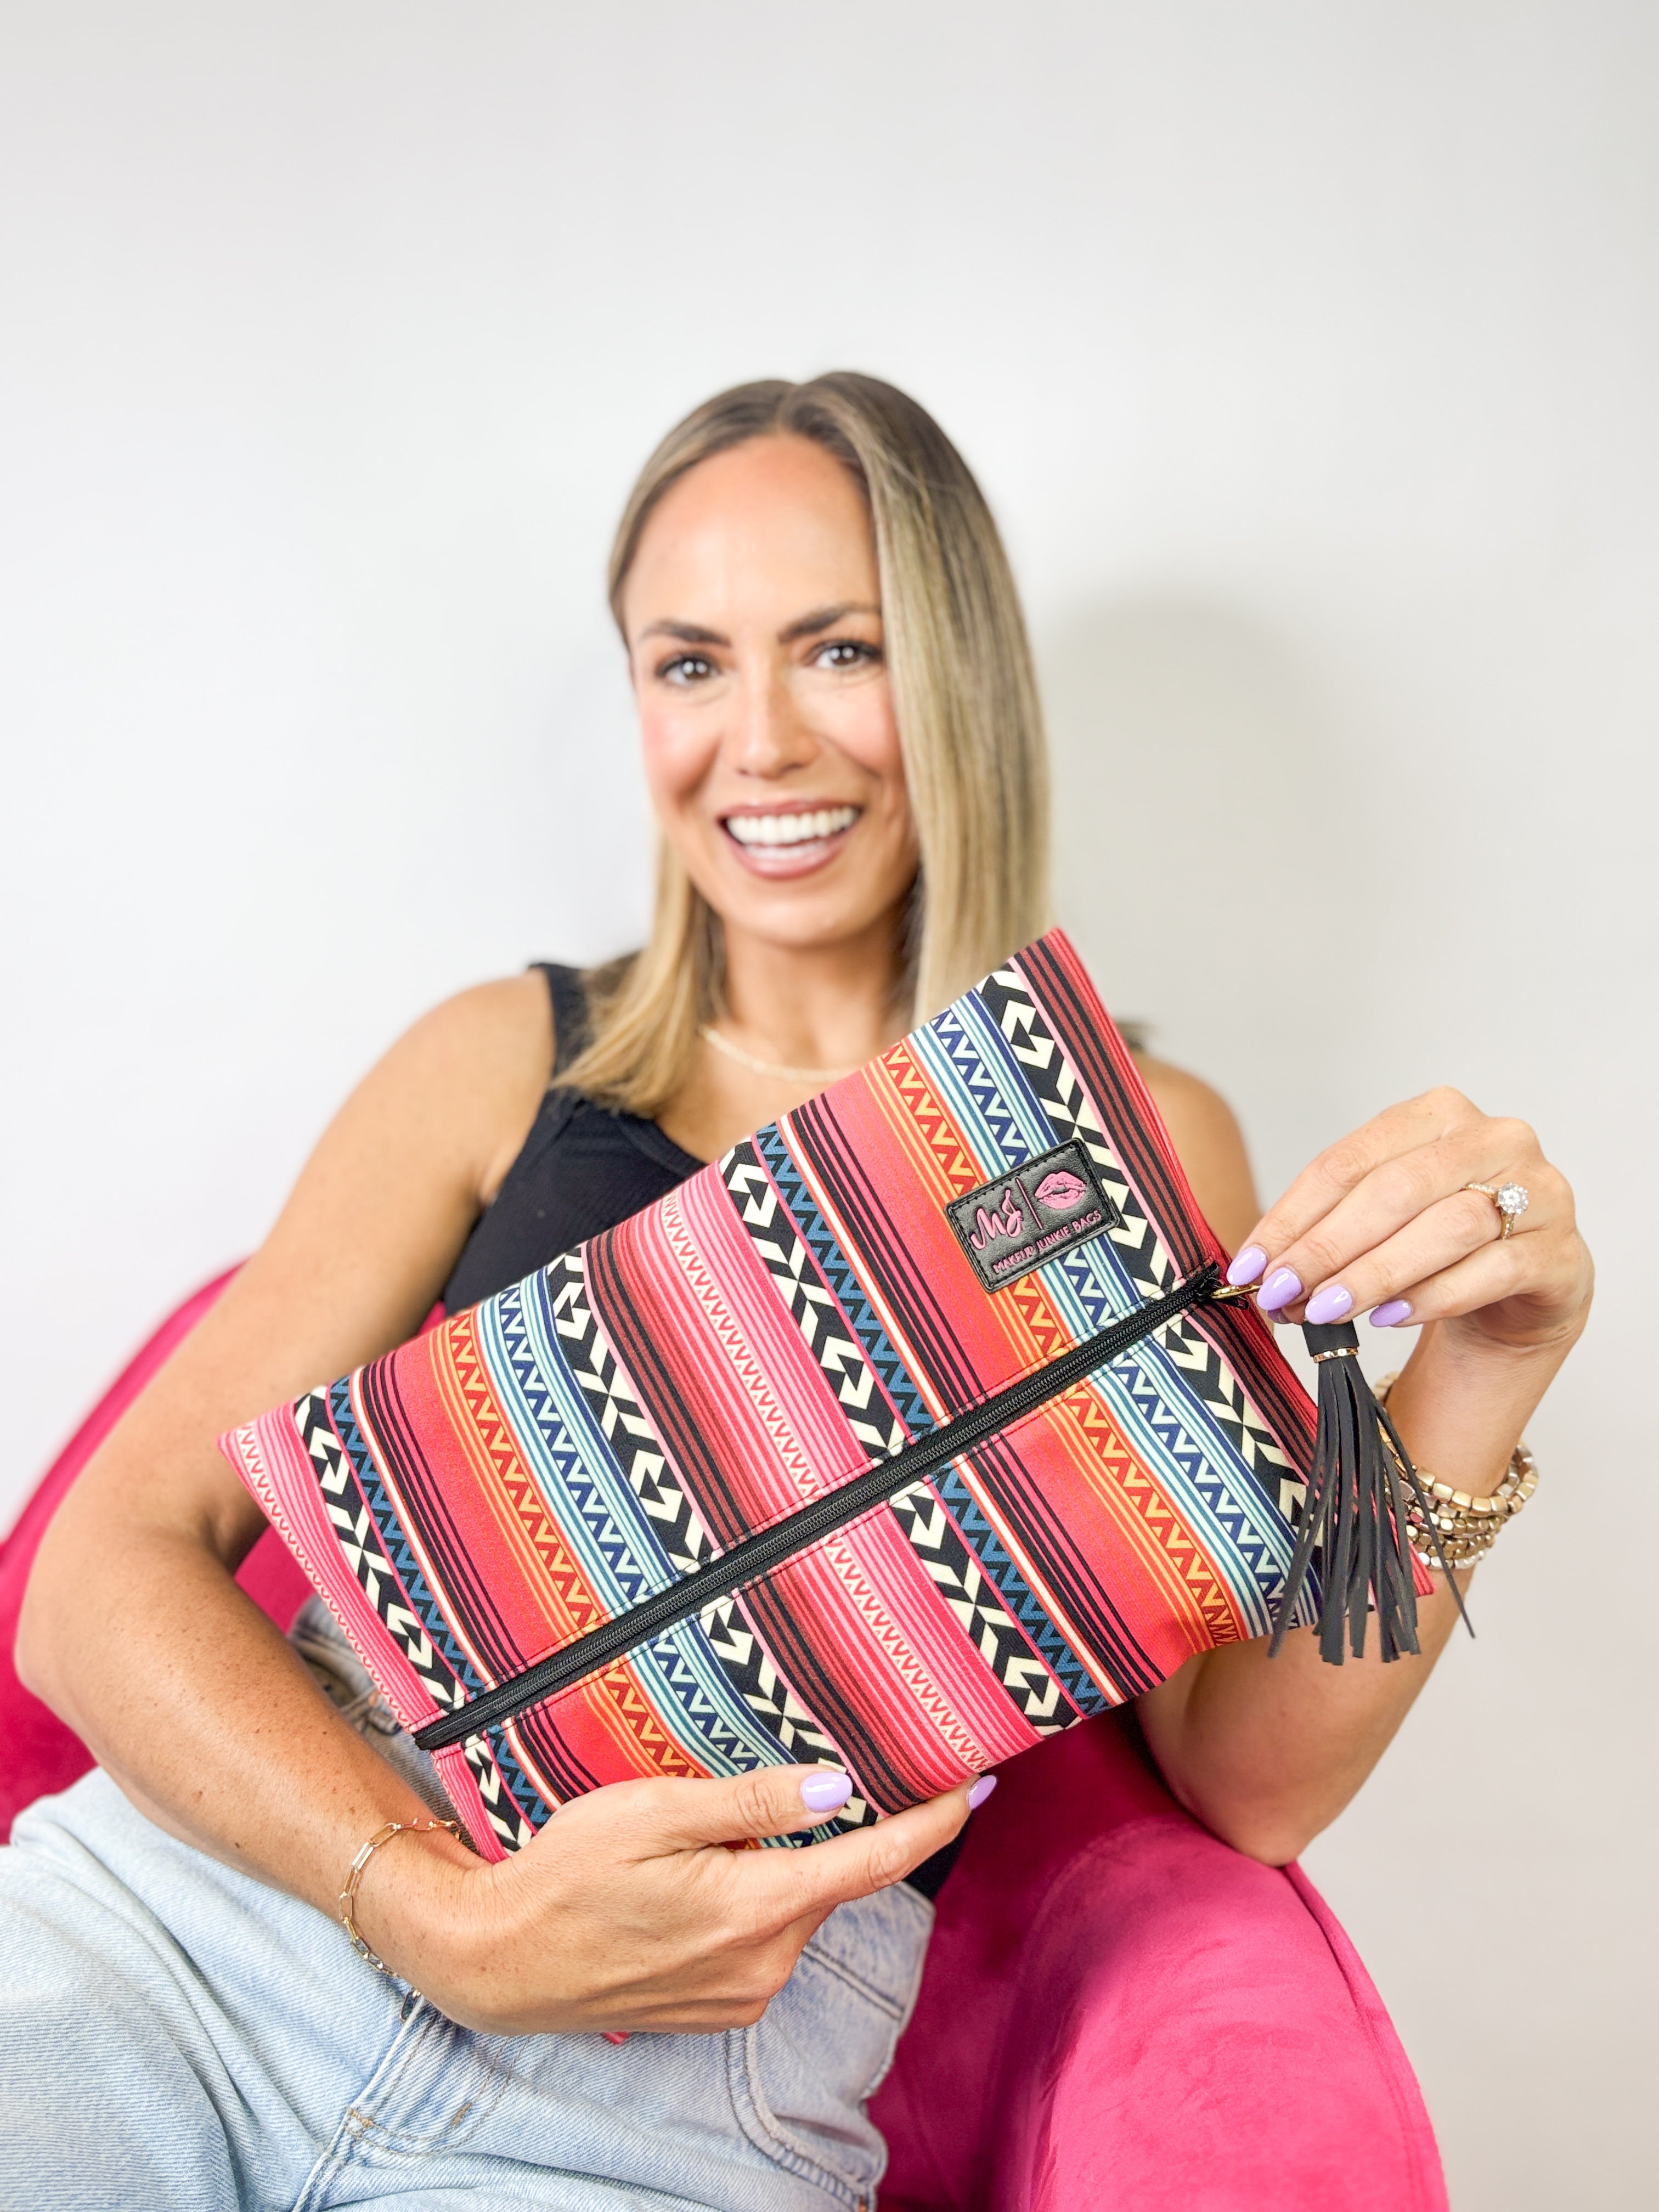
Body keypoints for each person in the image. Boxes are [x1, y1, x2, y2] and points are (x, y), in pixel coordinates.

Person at [4, 374, 1592, 2210]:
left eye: (838, 649)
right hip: (198, 1949)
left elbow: (1250, 1776)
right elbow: (97, 1579)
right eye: (688, 665)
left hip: (679, 2106)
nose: (758, 741)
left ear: (960, 680)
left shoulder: (1145, 1147)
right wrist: (434, 1904)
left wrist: (1482, 1371)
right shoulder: (506, 1059)